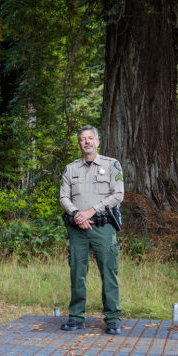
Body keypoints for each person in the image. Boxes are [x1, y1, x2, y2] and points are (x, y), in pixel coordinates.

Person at [59, 125, 124, 335]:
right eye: (82, 139)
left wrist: (91, 211)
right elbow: (64, 198)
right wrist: (77, 214)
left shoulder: (112, 165)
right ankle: (77, 317)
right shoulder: (71, 169)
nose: (86, 142)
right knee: (77, 272)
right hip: (78, 229)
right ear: (79, 144)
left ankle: (112, 319)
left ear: (97, 141)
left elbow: (118, 195)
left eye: (90, 138)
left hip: (103, 227)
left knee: (109, 272)